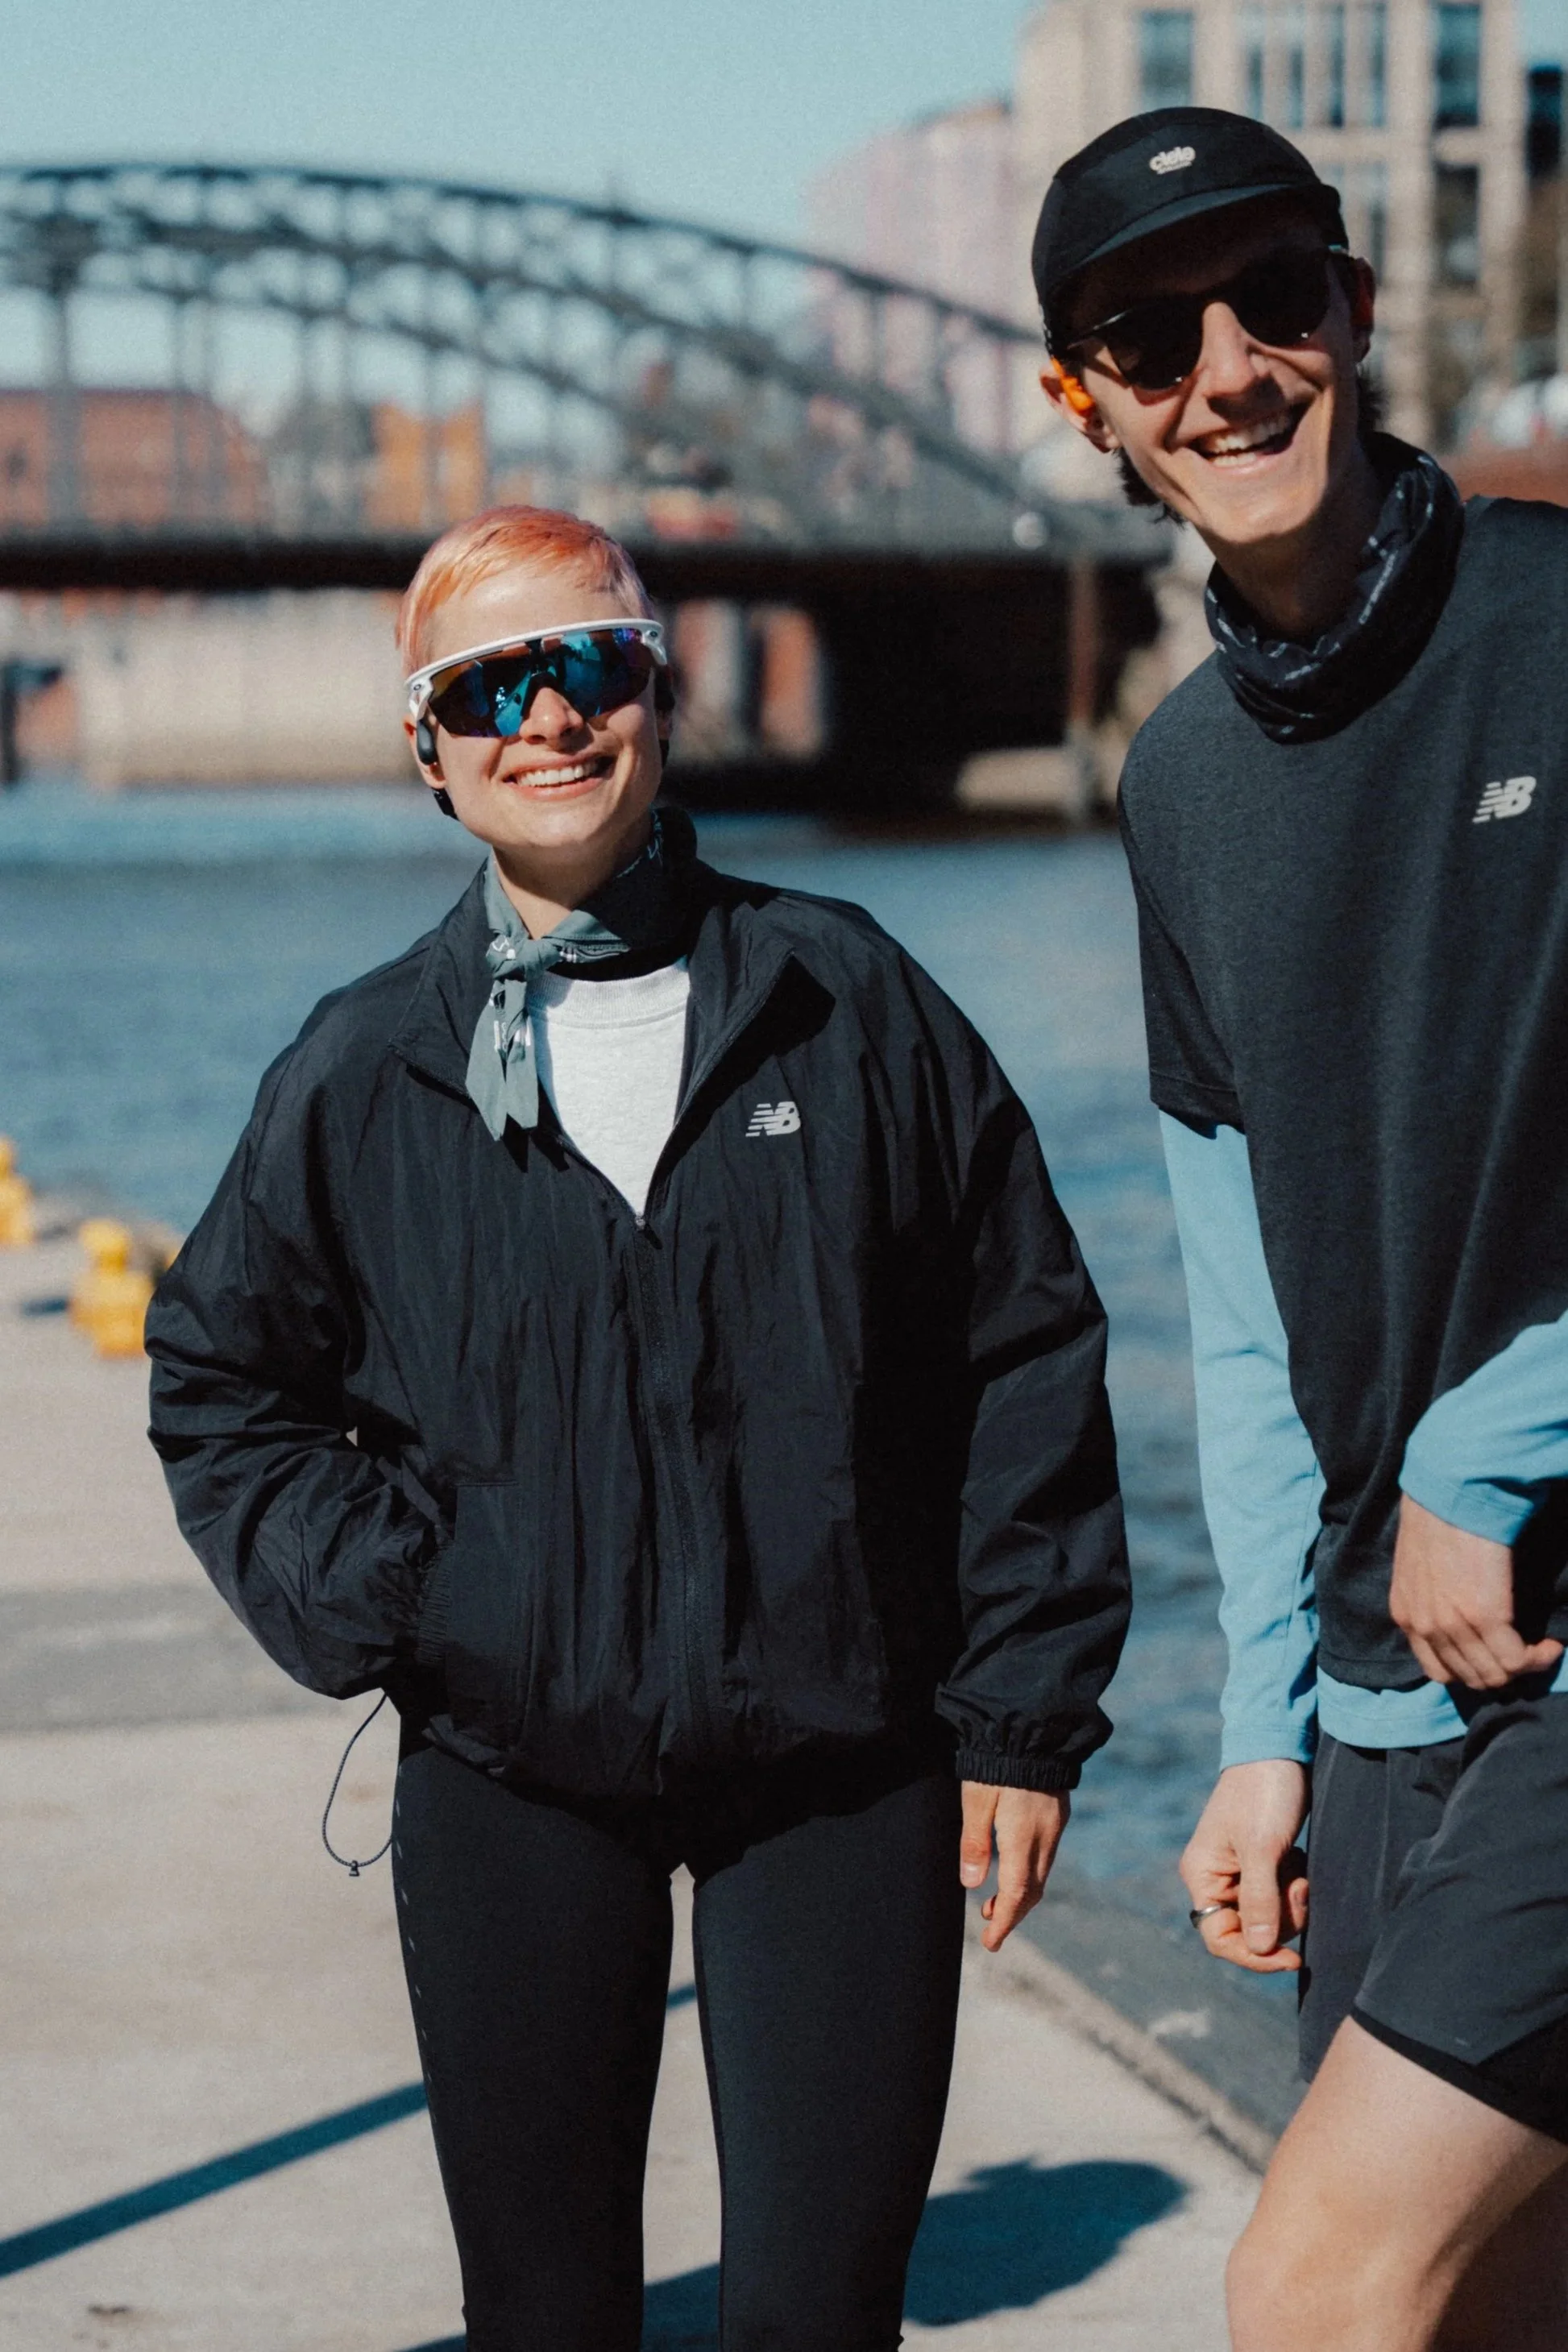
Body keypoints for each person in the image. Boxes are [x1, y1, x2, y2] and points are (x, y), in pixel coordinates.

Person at [144, 504, 1130, 2352]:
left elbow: (1021, 1349)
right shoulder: (364, 1064)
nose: (546, 716)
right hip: (515, 1781)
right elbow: (219, 1375)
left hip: (842, 1771)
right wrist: (408, 1598)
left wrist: (1021, 1715)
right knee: (545, 2316)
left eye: (589, 665)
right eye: (485, 686)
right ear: (426, 750)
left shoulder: (848, 998)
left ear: (661, 698)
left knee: (815, 2318)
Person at [1033, 106, 1568, 2352]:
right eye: (1151, 340)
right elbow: (1242, 1303)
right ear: (1087, 405)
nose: (1227, 371)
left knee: (1317, 2281)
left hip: (1552, 1619)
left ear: (1352, 307)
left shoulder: (1555, 625)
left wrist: (1494, 1445)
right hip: (1380, 1689)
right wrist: (1262, 1722)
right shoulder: (1178, 786)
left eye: (1271, 298)